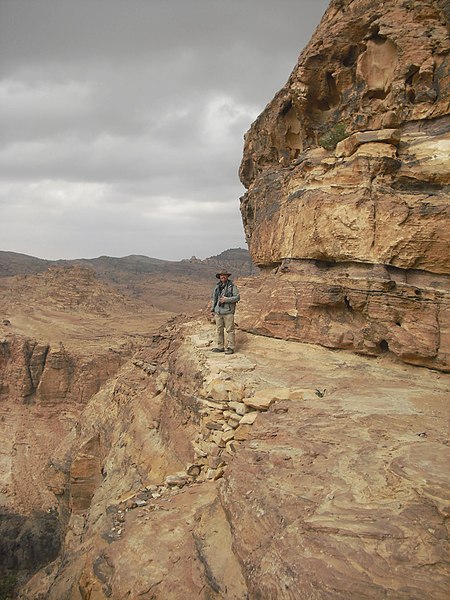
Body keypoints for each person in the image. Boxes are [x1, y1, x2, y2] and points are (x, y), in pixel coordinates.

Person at [210, 270, 240, 354]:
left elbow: (237, 297)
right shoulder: (217, 286)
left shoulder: (232, 286)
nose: (223, 277)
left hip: (228, 312)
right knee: (219, 330)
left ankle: (231, 347)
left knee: (230, 330)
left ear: (227, 276)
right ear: (219, 277)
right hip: (218, 312)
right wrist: (213, 309)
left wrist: (226, 300)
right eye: (221, 275)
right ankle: (220, 347)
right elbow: (214, 298)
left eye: (224, 275)